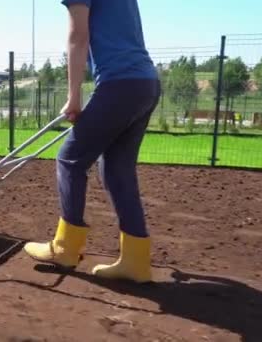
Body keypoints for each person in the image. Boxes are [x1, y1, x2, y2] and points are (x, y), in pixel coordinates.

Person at [23, 0, 161, 283]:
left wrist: (74, 96)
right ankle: (135, 260)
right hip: (145, 83)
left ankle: (65, 249)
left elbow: (78, 36)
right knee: (116, 169)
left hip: (119, 84)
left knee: (70, 159)